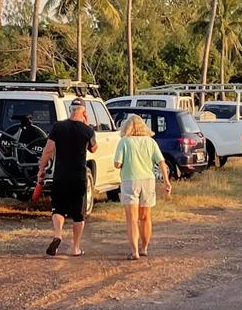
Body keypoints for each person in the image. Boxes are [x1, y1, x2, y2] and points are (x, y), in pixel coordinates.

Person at [35, 99, 98, 257]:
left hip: (61, 175)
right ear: (83, 111)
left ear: (71, 110)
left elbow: (48, 149)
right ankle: (75, 247)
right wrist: (88, 125)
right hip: (78, 176)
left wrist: (41, 168)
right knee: (78, 214)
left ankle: (57, 234)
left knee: (58, 208)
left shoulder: (58, 126)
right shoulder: (87, 130)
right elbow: (94, 148)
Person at [112, 113, 171, 260]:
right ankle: (144, 247)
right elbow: (161, 162)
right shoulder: (150, 142)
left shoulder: (124, 141)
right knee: (145, 217)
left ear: (127, 127)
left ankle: (134, 252)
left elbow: (117, 164)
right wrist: (166, 181)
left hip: (130, 181)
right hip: (148, 181)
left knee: (132, 218)